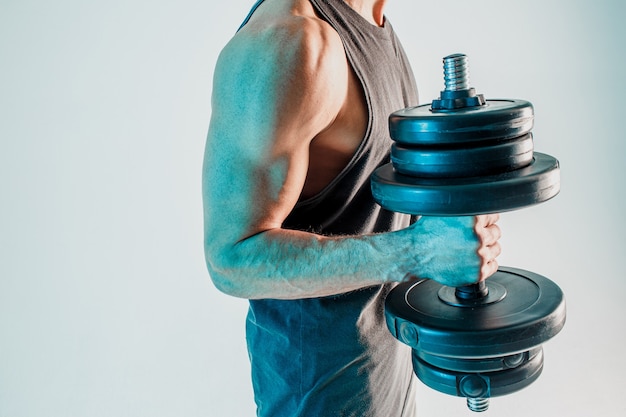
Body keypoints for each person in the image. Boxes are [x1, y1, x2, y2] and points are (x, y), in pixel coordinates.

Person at [202, 0, 501, 416]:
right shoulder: (294, 43)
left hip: (387, 383)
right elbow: (231, 259)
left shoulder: (376, 23)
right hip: (320, 400)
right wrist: (416, 252)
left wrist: (452, 235)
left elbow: (373, 211)